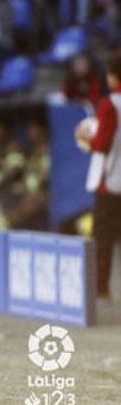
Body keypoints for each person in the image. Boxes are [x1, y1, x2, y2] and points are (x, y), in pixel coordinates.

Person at [78, 54, 121, 301]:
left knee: (102, 239)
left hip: (109, 182)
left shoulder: (110, 104)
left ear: (113, 76)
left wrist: (86, 138)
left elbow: (102, 143)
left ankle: (100, 289)